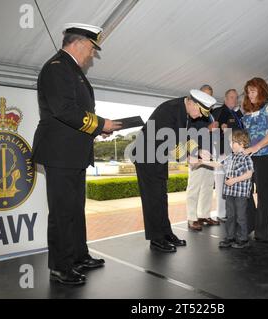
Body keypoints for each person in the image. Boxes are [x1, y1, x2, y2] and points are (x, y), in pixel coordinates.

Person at [32, 24, 122, 285]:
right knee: (62, 211)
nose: (92, 56)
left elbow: (79, 115)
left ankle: (78, 256)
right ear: (80, 43)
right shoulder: (56, 68)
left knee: (74, 208)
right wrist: (100, 123)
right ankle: (60, 267)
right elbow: (64, 110)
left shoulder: (72, 71)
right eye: (93, 50)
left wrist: (98, 129)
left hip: (73, 152)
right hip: (60, 153)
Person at [133, 89, 217, 253]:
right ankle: (156, 238)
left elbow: (182, 137)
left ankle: (166, 232)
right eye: (200, 112)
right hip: (146, 157)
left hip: (157, 157)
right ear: (192, 103)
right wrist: (188, 158)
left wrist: (198, 151)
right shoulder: (169, 110)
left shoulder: (182, 110)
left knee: (161, 197)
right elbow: (168, 140)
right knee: (152, 199)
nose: (200, 117)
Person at [242, 78, 268, 244]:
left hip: (266, 155)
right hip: (249, 155)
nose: (249, 95)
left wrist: (255, 147)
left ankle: (263, 232)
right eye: (248, 92)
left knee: (264, 194)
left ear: (261, 91)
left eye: (253, 91)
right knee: (244, 190)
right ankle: (251, 224)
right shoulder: (247, 111)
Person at [200, 131, 254, 249]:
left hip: (240, 193)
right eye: (230, 142)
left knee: (241, 216)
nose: (230, 144)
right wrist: (202, 161)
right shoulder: (230, 157)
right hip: (230, 193)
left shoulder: (246, 158)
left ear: (241, 143)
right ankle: (230, 237)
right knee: (230, 216)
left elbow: (249, 174)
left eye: (232, 142)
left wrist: (234, 180)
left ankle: (243, 238)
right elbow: (218, 164)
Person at [186, 85, 220, 231]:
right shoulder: (192, 111)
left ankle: (204, 215)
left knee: (207, 186)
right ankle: (192, 218)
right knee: (194, 187)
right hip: (196, 153)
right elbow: (189, 133)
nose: (207, 100)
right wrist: (208, 129)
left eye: (210, 96)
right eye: (205, 95)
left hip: (209, 153)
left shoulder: (210, 114)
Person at [212, 89, 244, 223]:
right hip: (224, 152)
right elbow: (215, 131)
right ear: (225, 98)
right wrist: (222, 150)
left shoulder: (234, 113)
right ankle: (221, 212)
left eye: (236, 98)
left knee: (231, 182)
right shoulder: (220, 111)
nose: (234, 100)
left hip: (234, 152)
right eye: (231, 97)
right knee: (221, 183)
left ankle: (229, 211)